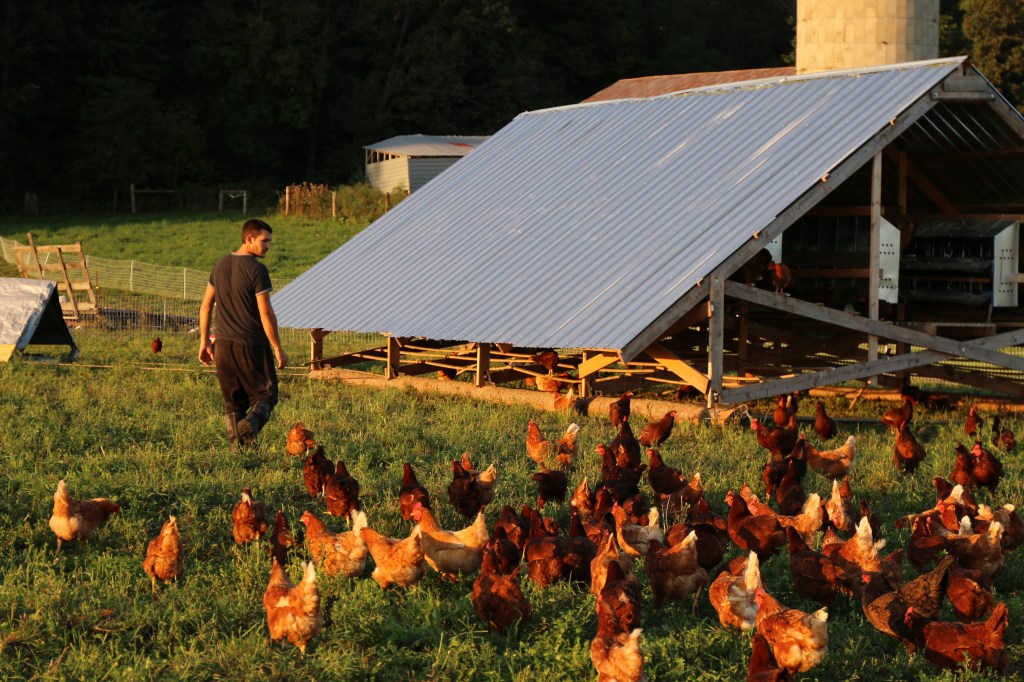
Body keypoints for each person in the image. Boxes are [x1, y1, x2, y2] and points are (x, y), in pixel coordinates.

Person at [198, 219, 288, 450]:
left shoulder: (220, 265)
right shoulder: (257, 270)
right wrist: (278, 348)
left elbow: (206, 307)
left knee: (233, 402)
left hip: (222, 345)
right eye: (264, 241)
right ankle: (252, 422)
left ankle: (238, 450)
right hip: (251, 344)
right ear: (249, 239)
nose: (268, 246)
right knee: (266, 396)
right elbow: (266, 313)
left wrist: (204, 341)